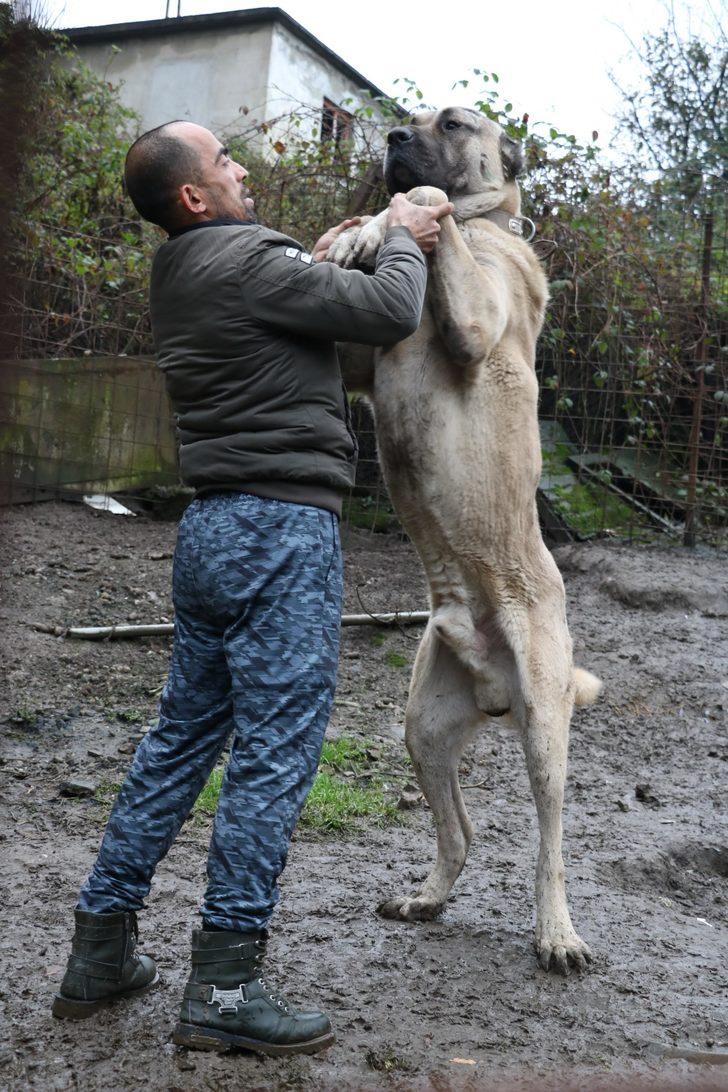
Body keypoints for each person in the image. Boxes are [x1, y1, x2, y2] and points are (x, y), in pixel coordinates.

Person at [52, 120, 452, 1056]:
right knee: (274, 753)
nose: (241, 167)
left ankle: (98, 951)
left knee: (179, 742)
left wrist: (327, 254)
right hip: (281, 532)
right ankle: (225, 990)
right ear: (193, 196)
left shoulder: (185, 269)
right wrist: (401, 229)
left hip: (213, 532)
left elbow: (300, 304)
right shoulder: (246, 258)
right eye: (225, 159)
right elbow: (391, 311)